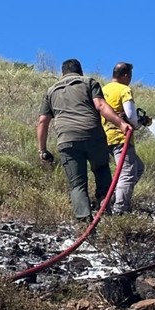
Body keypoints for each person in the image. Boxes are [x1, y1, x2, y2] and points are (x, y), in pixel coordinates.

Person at [37, 59, 132, 222]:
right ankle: (105, 213)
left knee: (77, 184)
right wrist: (121, 124)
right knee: (102, 170)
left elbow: (43, 122)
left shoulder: (51, 91)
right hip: (93, 136)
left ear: (62, 74)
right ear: (80, 71)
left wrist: (43, 150)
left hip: (67, 142)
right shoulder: (88, 82)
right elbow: (101, 106)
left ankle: (84, 222)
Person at [101, 62, 152, 214]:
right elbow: (131, 116)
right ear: (126, 75)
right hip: (120, 137)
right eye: (130, 76)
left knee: (138, 168)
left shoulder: (103, 90)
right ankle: (119, 210)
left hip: (104, 137)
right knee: (127, 175)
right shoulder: (124, 89)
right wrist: (139, 123)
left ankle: (112, 199)